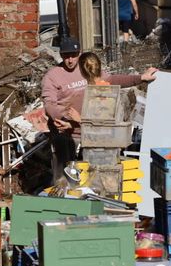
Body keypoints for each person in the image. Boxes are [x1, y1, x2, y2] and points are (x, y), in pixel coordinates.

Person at [41, 36, 157, 183]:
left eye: (73, 55)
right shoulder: (53, 76)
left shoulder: (85, 68)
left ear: (80, 53)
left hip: (90, 129)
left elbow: (111, 80)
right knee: (66, 176)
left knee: (92, 175)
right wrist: (64, 118)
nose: (70, 60)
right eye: (65, 56)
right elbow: (49, 104)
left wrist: (140, 78)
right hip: (66, 132)